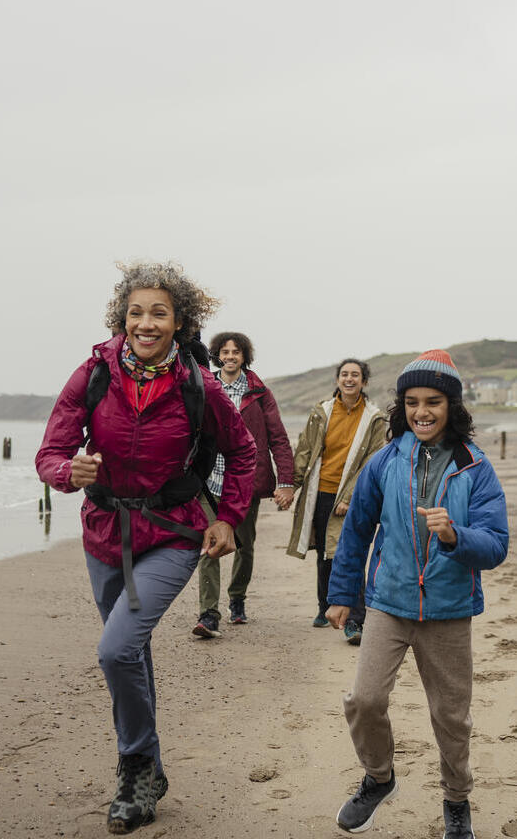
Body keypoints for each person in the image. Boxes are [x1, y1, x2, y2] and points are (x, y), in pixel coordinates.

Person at [35, 262, 256, 835]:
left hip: (172, 534)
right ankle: (152, 769)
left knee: (114, 651)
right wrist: (69, 470)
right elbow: (50, 451)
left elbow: (245, 452)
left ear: (179, 322)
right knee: (130, 651)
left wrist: (228, 518)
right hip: (103, 532)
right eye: (136, 312)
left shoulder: (198, 386)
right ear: (122, 318)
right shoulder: (93, 374)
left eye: (159, 312)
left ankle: (133, 767)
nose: (146, 322)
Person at [326, 350, 509, 837]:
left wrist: (455, 537)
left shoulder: (475, 468)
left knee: (451, 718)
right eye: (411, 402)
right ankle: (379, 778)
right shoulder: (385, 460)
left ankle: (457, 801)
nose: (421, 411)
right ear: (401, 406)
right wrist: (343, 593)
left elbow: (496, 547)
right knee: (365, 700)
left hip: (450, 611)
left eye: (433, 401)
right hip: (389, 602)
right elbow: (356, 531)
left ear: (452, 405)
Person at [192, 332, 295, 637]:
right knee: (209, 545)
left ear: (244, 356)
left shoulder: (259, 392)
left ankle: (237, 598)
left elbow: (278, 437)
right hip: (209, 481)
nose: (230, 356)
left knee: (243, 546)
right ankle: (208, 613)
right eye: (225, 352)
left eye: (236, 352)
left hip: (245, 482)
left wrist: (287, 480)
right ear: (217, 355)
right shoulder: (205, 386)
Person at [286, 358, 386, 643]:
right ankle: (325, 606)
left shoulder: (374, 416)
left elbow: (372, 460)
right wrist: (291, 485)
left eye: (355, 375)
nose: (349, 379)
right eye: (344, 374)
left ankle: (356, 619)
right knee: (325, 553)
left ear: (364, 382)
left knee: (350, 553)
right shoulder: (323, 411)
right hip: (321, 491)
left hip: (353, 495)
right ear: (337, 380)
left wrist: (350, 496)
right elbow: (306, 448)